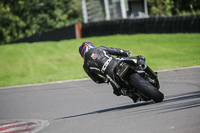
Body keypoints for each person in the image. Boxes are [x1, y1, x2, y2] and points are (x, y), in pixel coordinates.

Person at [79, 42, 145, 102]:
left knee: (117, 91)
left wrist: (104, 80)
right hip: (117, 62)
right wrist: (125, 52)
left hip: (110, 75)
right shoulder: (100, 48)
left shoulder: (86, 66)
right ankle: (142, 67)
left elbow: (96, 80)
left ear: (82, 55)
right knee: (140, 58)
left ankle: (129, 93)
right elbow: (116, 50)